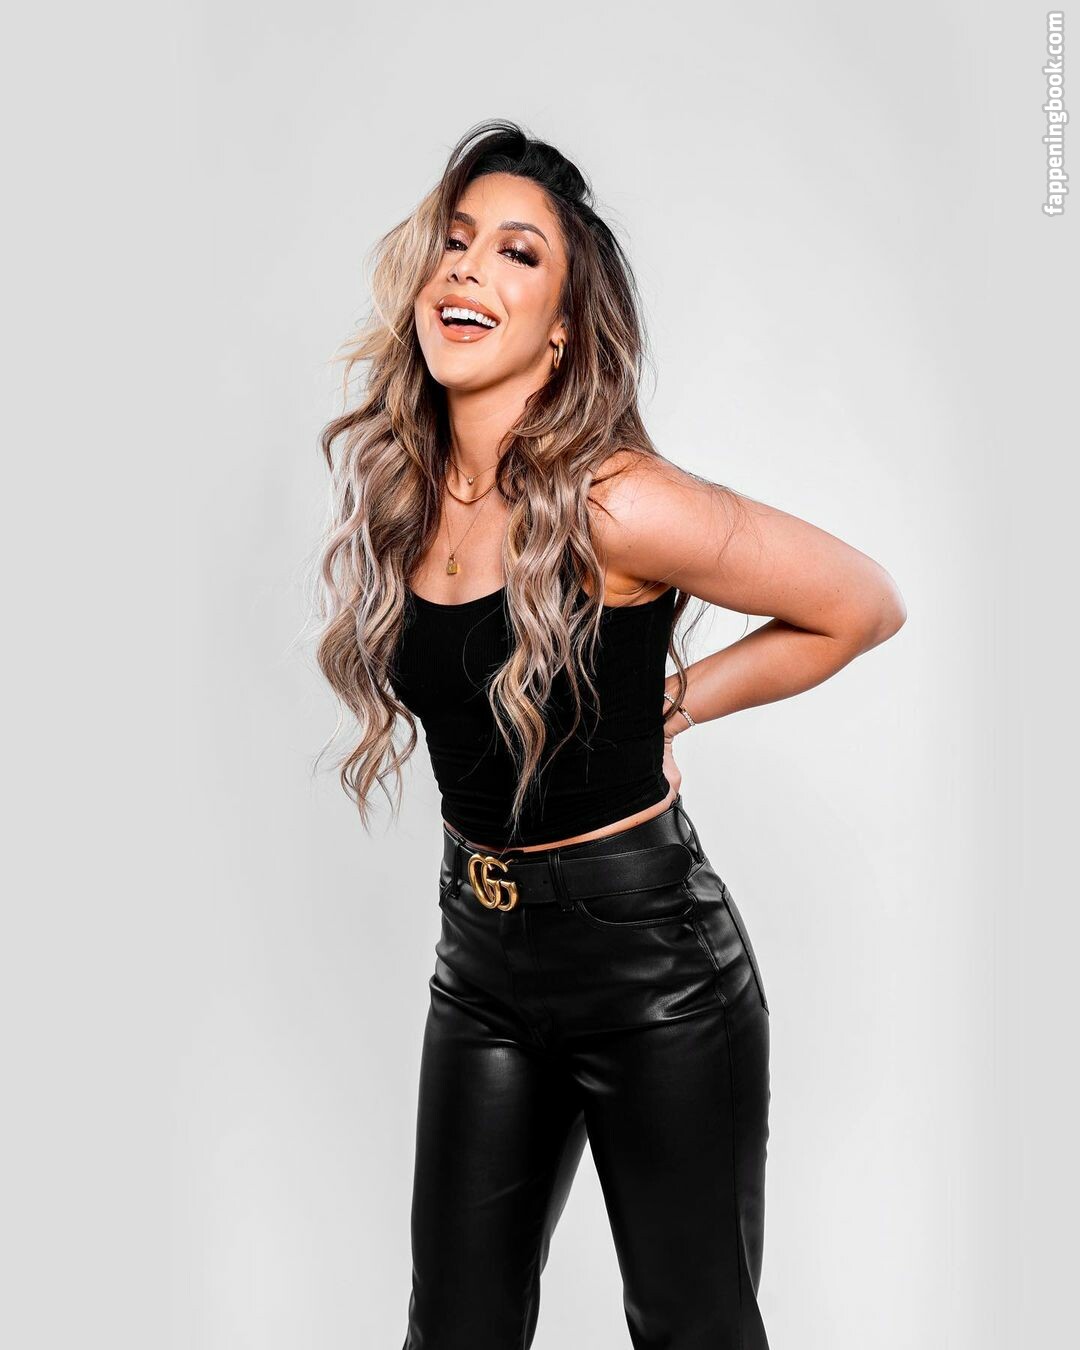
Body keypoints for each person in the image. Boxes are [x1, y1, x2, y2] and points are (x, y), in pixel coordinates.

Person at [313, 119, 906, 1350]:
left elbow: (860, 604)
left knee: (691, 1329)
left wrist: (679, 701)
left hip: (653, 972)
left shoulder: (614, 500)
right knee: (453, 1330)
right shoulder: (410, 490)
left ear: (563, 326)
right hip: (478, 962)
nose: (469, 269)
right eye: (456, 242)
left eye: (517, 253)